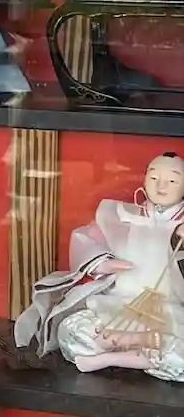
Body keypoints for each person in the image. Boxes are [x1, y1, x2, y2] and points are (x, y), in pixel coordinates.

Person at [14, 151, 184, 382]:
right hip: (119, 302)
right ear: (144, 179)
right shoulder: (121, 215)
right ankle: (136, 349)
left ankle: (113, 353)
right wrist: (102, 263)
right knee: (71, 332)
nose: (161, 186)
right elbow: (87, 239)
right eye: (154, 178)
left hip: (167, 309)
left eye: (172, 180)